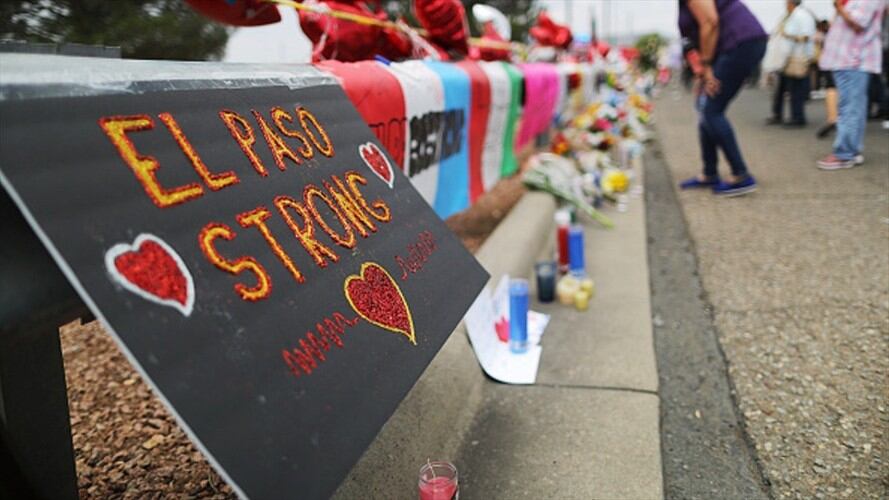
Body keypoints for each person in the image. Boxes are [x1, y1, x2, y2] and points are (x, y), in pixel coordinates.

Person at [677, 0, 768, 196]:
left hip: (740, 43)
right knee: (704, 104)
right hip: (735, 45)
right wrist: (702, 74)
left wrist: (708, 66)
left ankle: (741, 175)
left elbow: (710, 22)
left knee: (711, 108)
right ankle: (709, 173)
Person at [817, 0, 885, 170]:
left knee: (850, 107)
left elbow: (859, 22)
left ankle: (844, 153)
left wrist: (839, 6)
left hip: (853, 59)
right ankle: (851, 151)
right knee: (852, 106)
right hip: (849, 59)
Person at [767, 0, 816, 127]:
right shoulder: (790, 15)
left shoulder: (801, 15)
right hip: (787, 57)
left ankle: (798, 117)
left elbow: (805, 37)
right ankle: (778, 114)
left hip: (797, 57)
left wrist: (786, 35)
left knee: (796, 88)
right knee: (782, 87)